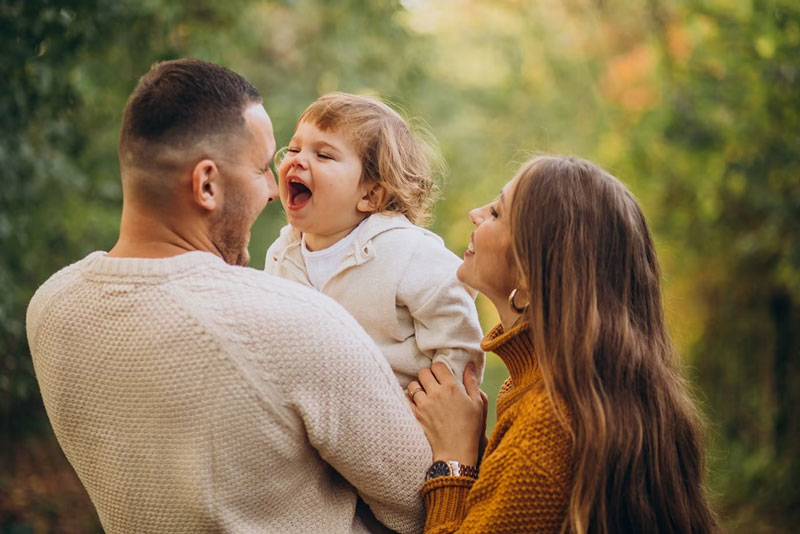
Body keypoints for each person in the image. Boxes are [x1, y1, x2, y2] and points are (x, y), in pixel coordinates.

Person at [26, 59, 431, 534]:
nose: (272, 191)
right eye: (263, 168)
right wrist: (460, 453)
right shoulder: (296, 325)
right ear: (207, 185)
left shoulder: (50, 306)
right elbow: (420, 506)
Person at [408, 155, 720, 533]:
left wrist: (454, 461)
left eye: (496, 214)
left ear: (529, 271)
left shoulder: (546, 427)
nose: (476, 213)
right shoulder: (579, 390)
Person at [265, 92, 484, 389]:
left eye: (324, 155)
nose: (298, 160)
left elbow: (456, 326)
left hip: (395, 418)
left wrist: (442, 401)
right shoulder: (282, 254)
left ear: (370, 195)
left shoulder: (405, 251)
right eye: (293, 148)